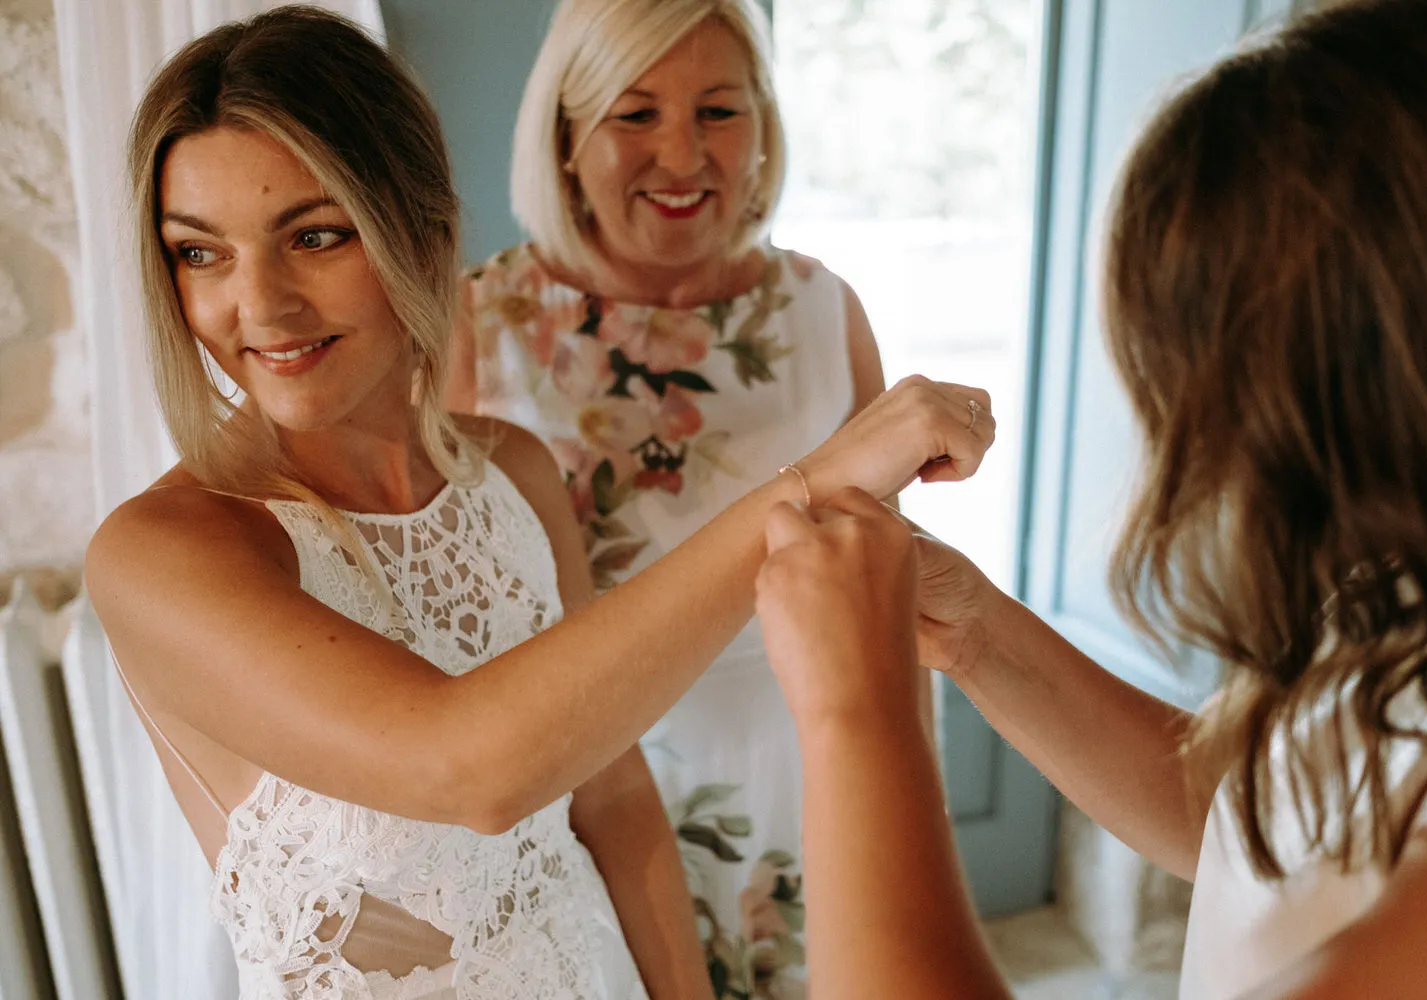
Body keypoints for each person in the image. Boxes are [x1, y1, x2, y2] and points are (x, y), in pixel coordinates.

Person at [83, 7, 994, 999]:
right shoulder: (160, 552)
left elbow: (611, 794)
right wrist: (817, 481)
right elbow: (472, 767)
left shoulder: (513, 472)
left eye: (314, 235)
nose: (259, 304)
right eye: (198, 252)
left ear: (420, 226)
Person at [753, 1, 1427, 998]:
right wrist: (976, 630)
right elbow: (1244, 823)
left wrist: (857, 713)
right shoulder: (1420, 573)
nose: (1187, 433)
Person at [442, 0, 905, 990]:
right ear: (567, 136)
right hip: (593, 799)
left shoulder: (827, 312)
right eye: (636, 113)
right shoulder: (478, 327)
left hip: (810, 781)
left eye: (721, 112)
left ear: (765, 126)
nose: (685, 157)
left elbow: (883, 588)